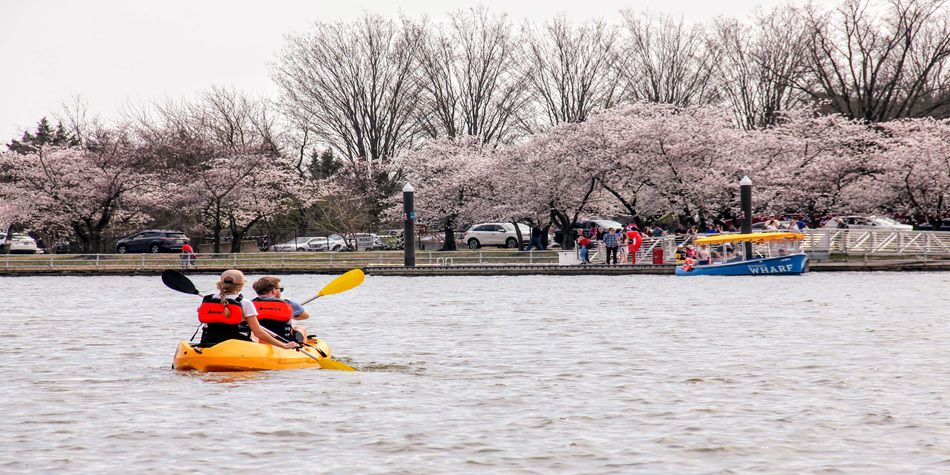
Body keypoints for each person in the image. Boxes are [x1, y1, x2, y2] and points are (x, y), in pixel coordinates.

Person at [196, 269, 299, 349]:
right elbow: (259, 332)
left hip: (208, 343)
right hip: (239, 346)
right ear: (241, 285)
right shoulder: (244, 303)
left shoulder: (207, 300)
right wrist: (284, 346)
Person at [252, 276, 311, 344]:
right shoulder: (289, 304)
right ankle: (300, 345)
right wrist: (290, 314)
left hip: (260, 340)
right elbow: (305, 316)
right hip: (285, 341)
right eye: (280, 289)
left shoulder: (250, 304)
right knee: (300, 329)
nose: (280, 291)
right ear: (274, 291)